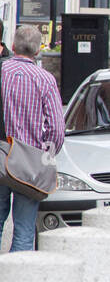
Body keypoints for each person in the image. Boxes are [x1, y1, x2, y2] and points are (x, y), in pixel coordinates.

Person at [0, 24, 64, 252]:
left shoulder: (2, 71)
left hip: (0, 155)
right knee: (25, 230)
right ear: (37, 51)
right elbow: (56, 128)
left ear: (14, 45)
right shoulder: (45, 79)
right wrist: (47, 155)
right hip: (30, 160)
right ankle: (16, 281)